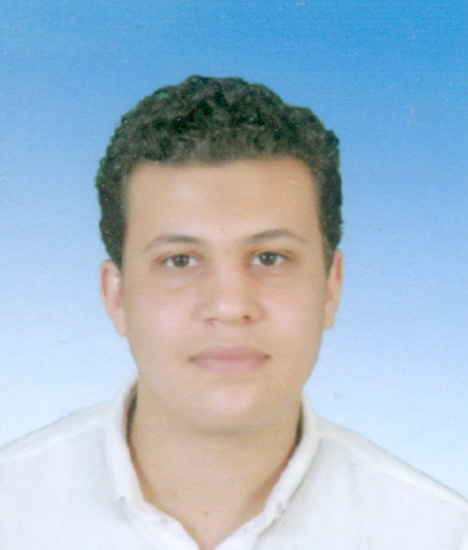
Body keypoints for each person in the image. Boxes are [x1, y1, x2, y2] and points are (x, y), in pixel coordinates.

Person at [0, 75, 467, 549]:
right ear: (116, 296)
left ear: (331, 287)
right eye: (179, 261)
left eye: (270, 258)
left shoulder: (438, 534)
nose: (229, 306)